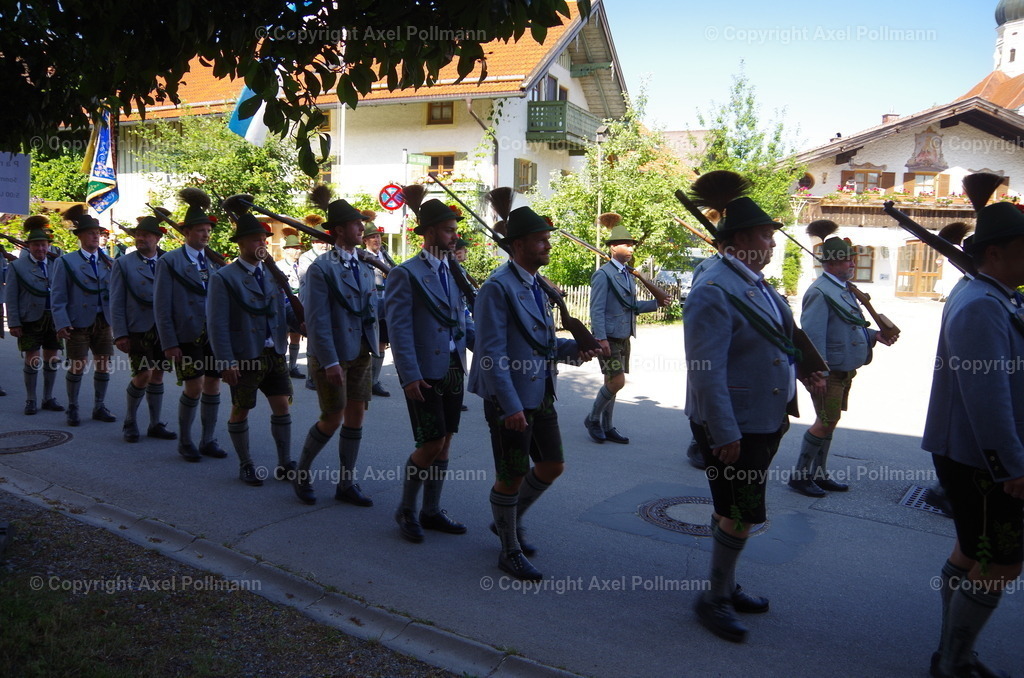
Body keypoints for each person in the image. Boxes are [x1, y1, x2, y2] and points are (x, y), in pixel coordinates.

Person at [683, 170, 824, 643]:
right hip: (736, 424)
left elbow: (780, 335)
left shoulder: (753, 281)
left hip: (762, 417)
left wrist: (807, 369)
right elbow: (705, 369)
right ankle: (714, 599)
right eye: (767, 234)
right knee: (742, 512)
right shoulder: (714, 288)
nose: (773, 241)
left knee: (733, 509)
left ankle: (723, 582)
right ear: (742, 239)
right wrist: (723, 432)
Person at [922, 175, 1024, 678]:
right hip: (983, 457)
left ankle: (951, 650)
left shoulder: (994, 294)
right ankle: (954, 660)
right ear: (998, 253)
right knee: (1001, 562)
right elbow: (988, 397)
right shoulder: (983, 303)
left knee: (971, 549)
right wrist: (1011, 464)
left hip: (972, 453)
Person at [469, 206, 599, 580]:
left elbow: (539, 343)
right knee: (511, 474)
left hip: (541, 391)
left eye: (547, 240)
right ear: (520, 244)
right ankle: (509, 550)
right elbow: (491, 354)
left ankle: (506, 520)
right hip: (509, 397)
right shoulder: (498, 288)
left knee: (552, 465)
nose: (547, 247)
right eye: (541, 241)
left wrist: (575, 351)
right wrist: (509, 406)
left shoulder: (535, 284)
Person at [385, 197, 473, 543]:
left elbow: (461, 321)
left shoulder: (454, 270)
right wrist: (408, 375)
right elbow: (399, 329)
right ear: (431, 232)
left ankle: (431, 510)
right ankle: (406, 508)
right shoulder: (405, 273)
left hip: (452, 366)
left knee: (446, 440)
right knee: (431, 441)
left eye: (455, 230)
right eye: (449, 230)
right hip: (423, 370)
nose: (454, 236)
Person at [789, 227, 897, 496]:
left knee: (830, 420)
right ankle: (801, 476)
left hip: (844, 370)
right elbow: (813, 338)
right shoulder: (820, 292)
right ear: (833, 262)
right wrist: (819, 375)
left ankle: (819, 473)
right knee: (825, 421)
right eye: (848, 259)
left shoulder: (844, 288)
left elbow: (849, 326)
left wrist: (874, 336)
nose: (853, 263)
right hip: (830, 372)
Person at [292, 199, 378, 506]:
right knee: (332, 417)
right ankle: (301, 472)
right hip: (333, 355)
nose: (362, 228)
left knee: (356, 416)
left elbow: (370, 307)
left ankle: (346, 482)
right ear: (339, 230)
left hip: (361, 352)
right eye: (356, 224)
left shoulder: (366, 265)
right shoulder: (320, 269)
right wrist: (329, 361)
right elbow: (316, 321)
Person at [206, 213, 294, 486]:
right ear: (241, 243)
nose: (261, 243)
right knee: (241, 408)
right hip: (244, 355)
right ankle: (246, 464)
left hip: (274, 352)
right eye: (255, 238)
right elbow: (217, 323)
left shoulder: (271, 273)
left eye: (264, 239)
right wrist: (226, 362)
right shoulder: (224, 277)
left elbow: (281, 310)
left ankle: (284, 462)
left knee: (282, 406)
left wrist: (302, 321)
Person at [153, 189, 226, 462]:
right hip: (185, 335)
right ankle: (185, 441)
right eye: (200, 230)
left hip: (213, 336)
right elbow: (161, 306)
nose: (206, 235)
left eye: (208, 230)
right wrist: (169, 342)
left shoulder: (214, 262)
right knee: (193, 386)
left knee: (213, 385)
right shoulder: (169, 262)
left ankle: (208, 439)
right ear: (186, 232)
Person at [584, 213, 669, 444]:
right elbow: (596, 310)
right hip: (609, 337)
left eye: (632, 244)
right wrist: (600, 339)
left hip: (624, 337)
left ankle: (607, 425)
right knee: (617, 381)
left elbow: (630, 307)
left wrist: (655, 303)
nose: (631, 247)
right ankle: (592, 419)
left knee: (611, 383)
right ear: (613, 248)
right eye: (626, 244)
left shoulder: (627, 275)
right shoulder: (603, 275)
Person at [109, 216, 177, 443]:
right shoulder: (123, 263)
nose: (140, 238)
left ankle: (155, 423)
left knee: (157, 375)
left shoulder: (169, 261)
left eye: (146, 235)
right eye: (138, 234)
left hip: (164, 328)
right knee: (142, 374)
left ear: (157, 238)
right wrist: (119, 333)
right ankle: (130, 420)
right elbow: (116, 301)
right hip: (137, 327)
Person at [51, 205, 117, 427]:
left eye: (98, 233)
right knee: (77, 365)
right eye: (91, 233)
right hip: (77, 321)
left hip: (103, 320)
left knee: (104, 363)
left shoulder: (108, 262)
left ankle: (99, 405)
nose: (96, 237)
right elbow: (58, 297)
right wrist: (62, 323)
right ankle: (73, 407)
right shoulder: (66, 262)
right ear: (80, 236)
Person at [5, 219, 63, 414]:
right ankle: (31, 399)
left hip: (54, 318)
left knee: (52, 356)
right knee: (32, 357)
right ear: (28, 246)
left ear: (49, 246)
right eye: (36, 245)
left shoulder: (58, 264)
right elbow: (11, 297)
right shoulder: (17, 266)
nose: (40, 248)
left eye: (43, 245)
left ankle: (48, 397)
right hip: (30, 317)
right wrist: (14, 322)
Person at [685, 243, 724, 470]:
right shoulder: (707, 267)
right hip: (708, 341)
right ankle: (697, 443)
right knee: (703, 393)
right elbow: (697, 303)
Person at [360, 211, 396, 398]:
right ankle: (365, 379)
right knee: (368, 342)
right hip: (370, 303)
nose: (377, 239)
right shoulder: (362, 256)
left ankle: (374, 380)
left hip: (385, 304)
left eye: (378, 236)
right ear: (365, 240)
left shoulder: (384, 255)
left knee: (382, 342)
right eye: (372, 237)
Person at [298, 214, 332, 391]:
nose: (323, 245)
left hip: (328, 304)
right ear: (313, 243)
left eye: (325, 242)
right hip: (308, 302)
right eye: (319, 242)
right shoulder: (305, 258)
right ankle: (311, 377)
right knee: (312, 341)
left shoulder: (330, 257)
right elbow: (308, 277)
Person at [276, 228, 305, 379]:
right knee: (283, 335)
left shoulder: (303, 266)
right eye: (293, 248)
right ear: (286, 250)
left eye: (298, 248)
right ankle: (281, 365)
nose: (296, 251)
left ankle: (292, 366)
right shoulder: (278, 266)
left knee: (296, 335)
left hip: (299, 304)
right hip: (284, 304)